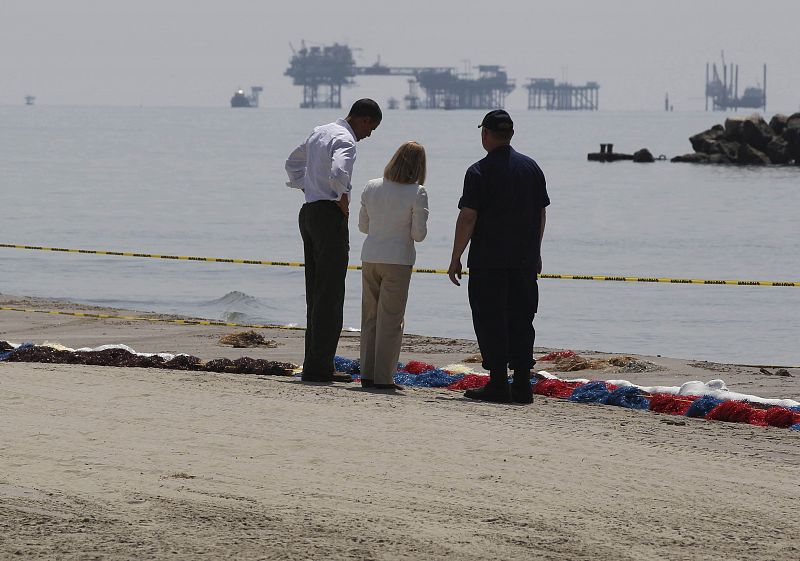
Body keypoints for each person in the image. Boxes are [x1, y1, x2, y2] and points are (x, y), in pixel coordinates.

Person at [447, 109, 549, 404]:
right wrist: (536, 251)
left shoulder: (478, 171)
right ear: (512, 135)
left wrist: (456, 256)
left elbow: (468, 216)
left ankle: (497, 382)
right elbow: (540, 213)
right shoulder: (532, 168)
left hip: (489, 261)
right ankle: (521, 384)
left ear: (485, 135)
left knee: (490, 319)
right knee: (522, 319)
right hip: (524, 261)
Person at [285, 99, 382, 382]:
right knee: (330, 294)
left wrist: (307, 186)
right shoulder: (345, 140)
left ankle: (315, 362)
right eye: (371, 128)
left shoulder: (320, 131)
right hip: (328, 215)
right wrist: (342, 196)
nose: (369, 135)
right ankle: (320, 367)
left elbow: (292, 163)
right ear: (363, 120)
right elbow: (340, 171)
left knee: (315, 292)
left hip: (309, 211)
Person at [358, 141, 429, 391]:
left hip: (370, 256)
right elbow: (419, 234)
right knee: (391, 320)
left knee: (370, 317)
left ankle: (366, 373)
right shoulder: (417, 192)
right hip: (398, 260)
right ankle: (384, 377)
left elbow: (363, 227)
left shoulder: (372, 186)